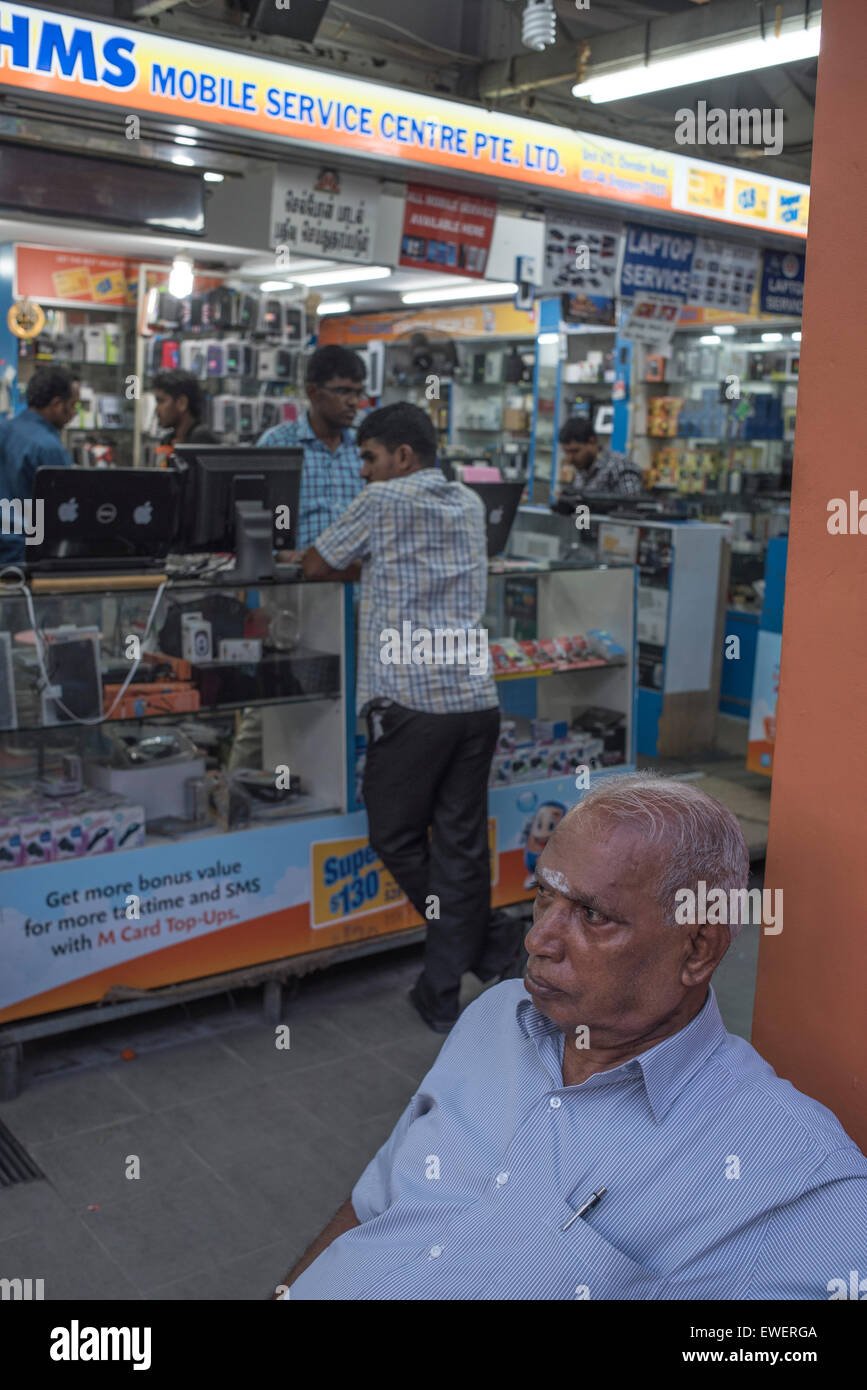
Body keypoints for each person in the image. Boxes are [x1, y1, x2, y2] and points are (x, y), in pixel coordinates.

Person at [274, 773, 867, 1300]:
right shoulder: (495, 1017)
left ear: (696, 949)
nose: (538, 940)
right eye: (544, 896)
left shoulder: (796, 1173)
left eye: (592, 915)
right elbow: (373, 1205)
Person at [300, 402, 519, 1032]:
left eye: (369, 457)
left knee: (395, 837)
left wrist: (364, 563)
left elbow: (315, 563)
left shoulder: (382, 501)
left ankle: (488, 949)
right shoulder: (469, 502)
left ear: (402, 456)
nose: (363, 471)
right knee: (460, 848)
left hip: (411, 705)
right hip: (475, 701)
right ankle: (452, 980)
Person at [256, 344, 366, 549]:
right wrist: (279, 553)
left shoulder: (364, 450)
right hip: (297, 566)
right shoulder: (279, 444)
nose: (353, 402)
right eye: (343, 391)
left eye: (358, 393)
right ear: (312, 392)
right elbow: (262, 515)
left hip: (356, 567)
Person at [0, 365, 79, 565]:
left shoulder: (4, 429)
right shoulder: (48, 447)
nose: (73, 413)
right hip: (25, 556)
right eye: (72, 405)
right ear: (57, 404)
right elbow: (64, 513)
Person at [556, 417, 642, 498]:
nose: (570, 458)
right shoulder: (582, 469)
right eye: (566, 452)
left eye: (575, 451)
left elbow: (631, 504)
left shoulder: (620, 466)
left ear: (592, 442)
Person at [153, 369, 217, 450]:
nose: (157, 409)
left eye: (162, 401)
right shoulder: (168, 440)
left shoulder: (201, 439)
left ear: (182, 403)